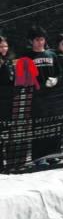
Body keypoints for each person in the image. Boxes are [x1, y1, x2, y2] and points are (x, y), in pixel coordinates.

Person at [25, 26, 63, 165]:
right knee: (39, 128)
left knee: (54, 126)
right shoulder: (27, 57)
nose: (40, 42)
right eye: (37, 39)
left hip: (52, 97)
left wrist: (56, 80)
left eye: (42, 39)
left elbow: (60, 73)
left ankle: (52, 154)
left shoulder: (52, 55)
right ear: (31, 41)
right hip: (37, 98)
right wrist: (39, 86)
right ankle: (39, 157)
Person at [0, 36, 14, 170]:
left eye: (5, 46)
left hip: (7, 101)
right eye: (1, 46)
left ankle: (5, 161)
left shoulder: (8, 61)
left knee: (5, 132)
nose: (4, 49)